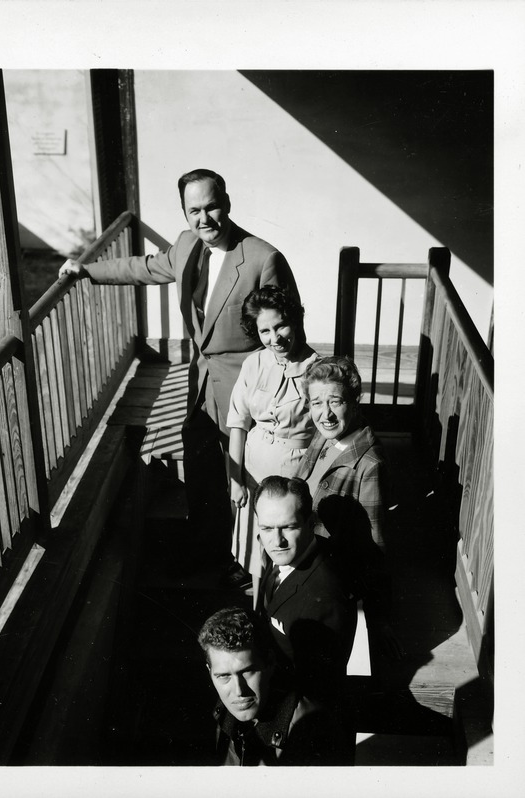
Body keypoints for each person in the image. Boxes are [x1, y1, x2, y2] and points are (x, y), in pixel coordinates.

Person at [59, 169, 299, 585]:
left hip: (248, 389)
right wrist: (86, 271)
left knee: (246, 477)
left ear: (227, 202)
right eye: (194, 211)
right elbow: (146, 267)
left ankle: (258, 568)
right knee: (202, 468)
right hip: (200, 382)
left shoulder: (263, 258)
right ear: (185, 214)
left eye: (212, 206)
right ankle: (209, 554)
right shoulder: (188, 244)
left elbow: (286, 332)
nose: (204, 218)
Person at [295, 355, 404, 666]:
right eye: (316, 402)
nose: (324, 413)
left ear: (355, 401)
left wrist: (379, 620)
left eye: (335, 401)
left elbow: (375, 549)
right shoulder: (325, 437)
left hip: (328, 584)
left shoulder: (370, 466)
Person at [226, 286, 318, 591]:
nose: (274, 338)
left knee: (285, 540)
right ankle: (256, 595)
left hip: (294, 471)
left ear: (296, 320)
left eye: (280, 326)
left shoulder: (316, 369)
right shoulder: (254, 363)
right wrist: (235, 477)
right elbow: (238, 422)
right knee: (256, 544)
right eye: (264, 330)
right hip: (253, 468)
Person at [253, 476, 358, 704]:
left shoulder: (324, 597)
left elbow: (318, 689)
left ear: (311, 523)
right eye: (267, 528)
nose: (276, 541)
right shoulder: (289, 551)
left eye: (288, 527)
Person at [198, 606, 344, 765]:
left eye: (248, 672)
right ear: (210, 671)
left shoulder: (311, 729)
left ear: (270, 663)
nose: (239, 691)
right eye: (224, 676)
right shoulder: (223, 714)